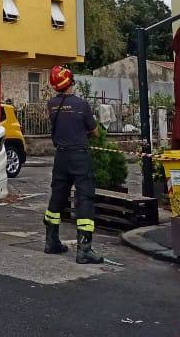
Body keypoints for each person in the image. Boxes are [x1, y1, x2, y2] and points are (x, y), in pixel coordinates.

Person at [43, 65, 103, 264]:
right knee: (85, 197)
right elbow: (94, 131)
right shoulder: (81, 104)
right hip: (79, 156)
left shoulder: (51, 104)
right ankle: (84, 249)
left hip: (61, 157)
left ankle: (51, 241)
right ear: (69, 82)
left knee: (57, 197)